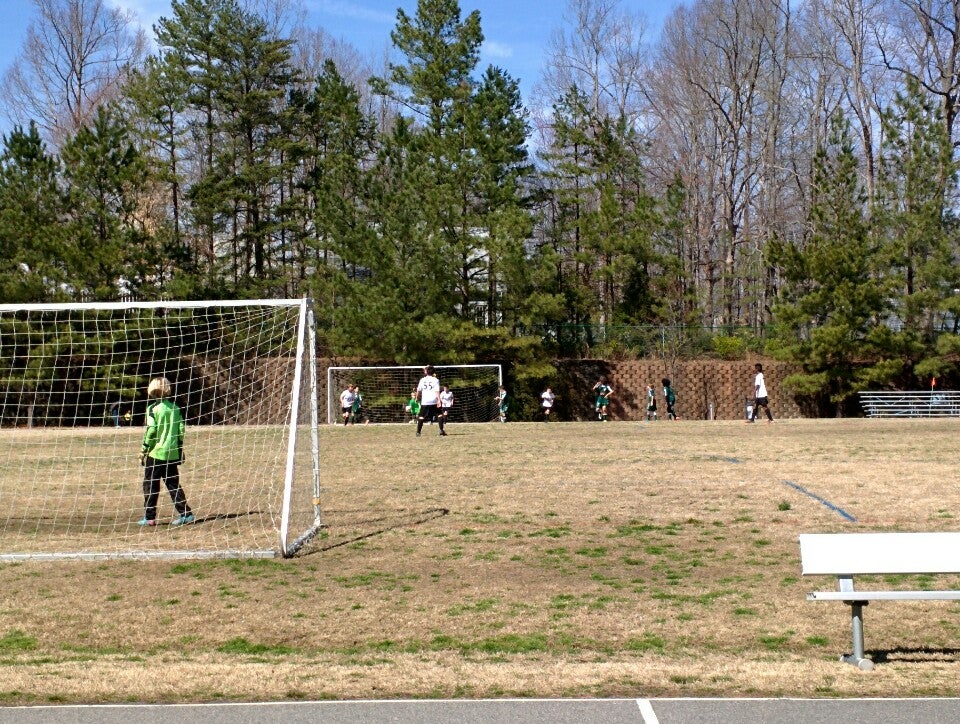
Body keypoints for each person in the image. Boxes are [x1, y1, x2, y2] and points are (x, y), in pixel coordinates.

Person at [138, 377, 193, 527]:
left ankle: (149, 517)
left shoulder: (152, 408)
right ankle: (186, 514)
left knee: (150, 485)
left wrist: (144, 449)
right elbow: (181, 431)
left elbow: (151, 431)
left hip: (156, 453)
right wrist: (179, 449)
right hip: (172, 453)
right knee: (173, 484)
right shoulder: (175, 408)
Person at [416, 365, 446, 437]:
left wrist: (417, 397)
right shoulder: (436, 380)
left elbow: (418, 390)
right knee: (439, 414)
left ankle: (418, 432)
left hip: (425, 401)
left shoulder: (422, 380)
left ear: (426, 372)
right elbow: (437, 391)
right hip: (434, 400)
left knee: (421, 416)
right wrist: (439, 400)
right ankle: (441, 430)